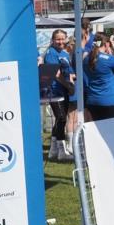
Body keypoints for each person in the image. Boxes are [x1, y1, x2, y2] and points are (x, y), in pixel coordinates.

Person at [42, 29, 75, 160]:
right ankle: (61, 151)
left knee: (61, 119)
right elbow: (55, 74)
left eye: (62, 39)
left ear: (66, 39)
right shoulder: (51, 53)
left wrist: (72, 83)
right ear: (53, 40)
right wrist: (68, 85)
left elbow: (69, 72)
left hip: (65, 90)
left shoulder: (65, 54)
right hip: (54, 91)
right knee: (61, 118)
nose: (60, 41)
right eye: (58, 39)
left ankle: (53, 149)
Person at [82, 33, 114, 121]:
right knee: (110, 131)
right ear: (107, 44)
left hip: (92, 101)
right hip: (109, 101)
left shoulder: (86, 59)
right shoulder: (109, 59)